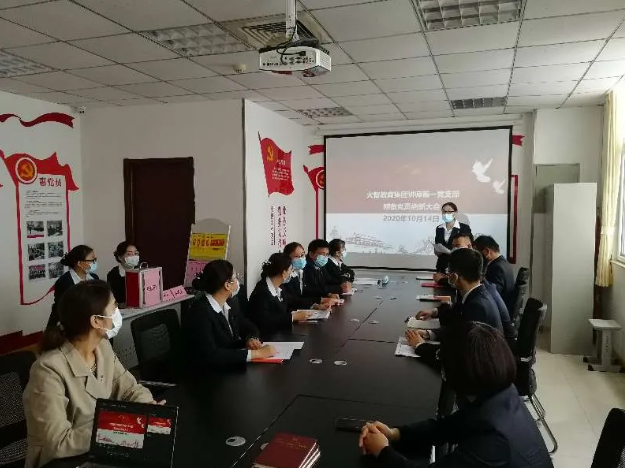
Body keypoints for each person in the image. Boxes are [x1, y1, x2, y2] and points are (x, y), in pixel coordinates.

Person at [359, 322, 554, 468]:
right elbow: (448, 427)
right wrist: (396, 434)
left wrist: (383, 452)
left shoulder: (493, 442)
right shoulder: (500, 392)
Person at [24, 280, 157, 468]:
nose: (117, 312)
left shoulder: (102, 348)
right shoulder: (48, 369)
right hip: (64, 461)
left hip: (101, 446)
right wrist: (119, 427)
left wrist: (148, 409)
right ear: (96, 321)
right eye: (114, 307)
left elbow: (130, 389)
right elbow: (58, 443)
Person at [182, 260, 276, 368]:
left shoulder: (228, 304)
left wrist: (248, 341)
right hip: (206, 374)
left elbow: (231, 342)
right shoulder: (200, 311)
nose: (238, 282)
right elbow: (209, 355)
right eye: (236, 278)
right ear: (227, 285)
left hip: (225, 367)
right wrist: (256, 354)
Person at [408, 249, 502, 355]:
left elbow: (457, 353)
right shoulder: (474, 294)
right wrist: (429, 333)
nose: (447, 275)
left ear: (454, 276)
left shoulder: (477, 306)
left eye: (448, 271)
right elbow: (457, 331)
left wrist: (420, 346)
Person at [247, 253, 313, 336]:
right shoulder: (261, 292)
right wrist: (293, 317)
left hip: (280, 332)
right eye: (290, 269)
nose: (291, 272)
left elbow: (292, 301)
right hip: (267, 337)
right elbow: (265, 321)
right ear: (283, 272)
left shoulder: (279, 286)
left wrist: (313, 305)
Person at [47, 245, 99, 329]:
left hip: (93, 323)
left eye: (95, 259)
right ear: (79, 263)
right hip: (74, 326)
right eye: (92, 260)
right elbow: (60, 309)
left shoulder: (94, 278)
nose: (94, 262)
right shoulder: (64, 282)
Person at [282, 242, 336, 312]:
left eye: (302, 255)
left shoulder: (299, 272)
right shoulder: (285, 277)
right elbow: (291, 301)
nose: (301, 259)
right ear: (287, 258)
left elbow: (306, 292)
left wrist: (319, 301)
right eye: (296, 256)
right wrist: (318, 303)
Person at [474, 235, 515, 311]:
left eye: (477, 254)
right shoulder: (503, 262)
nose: (475, 258)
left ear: (486, 251)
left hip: (499, 311)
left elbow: (491, 296)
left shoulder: (496, 268)